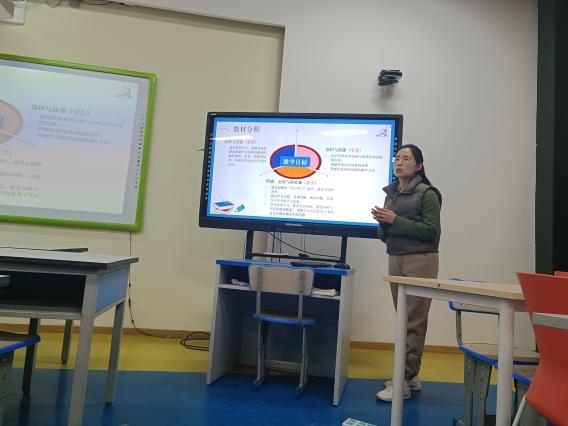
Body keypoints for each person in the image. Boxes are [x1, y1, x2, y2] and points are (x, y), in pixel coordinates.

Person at [371, 144, 442, 402]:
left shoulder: (427, 194)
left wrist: (394, 220)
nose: (399, 162)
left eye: (406, 158)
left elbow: (432, 232)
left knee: (414, 321)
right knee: (404, 319)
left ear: (419, 166)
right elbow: (385, 235)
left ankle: (402, 380)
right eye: (396, 158)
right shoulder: (391, 193)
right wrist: (382, 224)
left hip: (420, 260)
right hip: (395, 258)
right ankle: (411, 377)